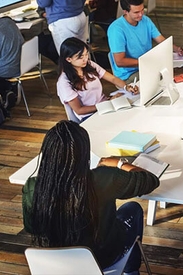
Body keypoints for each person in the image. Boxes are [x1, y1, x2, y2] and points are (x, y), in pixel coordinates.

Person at [22, 120, 159, 274]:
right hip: (103, 260)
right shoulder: (103, 179)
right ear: (84, 153)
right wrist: (119, 163)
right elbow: (150, 180)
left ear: (48, 155)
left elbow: (32, 227)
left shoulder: (33, 187)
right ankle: (130, 271)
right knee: (132, 209)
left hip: (55, 266)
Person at [108, 0, 183, 83]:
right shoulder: (116, 29)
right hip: (129, 74)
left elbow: (160, 40)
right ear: (125, 11)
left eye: (142, 10)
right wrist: (146, 62)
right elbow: (120, 61)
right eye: (136, 12)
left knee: (177, 72)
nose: (141, 14)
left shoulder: (145, 20)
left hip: (147, 66)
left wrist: (177, 49)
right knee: (167, 78)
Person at [57, 37, 138, 121]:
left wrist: (126, 87)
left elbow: (113, 79)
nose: (85, 59)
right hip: (90, 115)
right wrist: (107, 104)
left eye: (86, 54)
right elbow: (79, 110)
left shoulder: (89, 65)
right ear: (68, 59)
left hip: (105, 106)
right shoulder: (64, 82)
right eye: (80, 57)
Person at [0, 17, 24, 110]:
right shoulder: (9, 21)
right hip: (22, 64)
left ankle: (5, 90)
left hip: (8, 70)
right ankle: (8, 88)